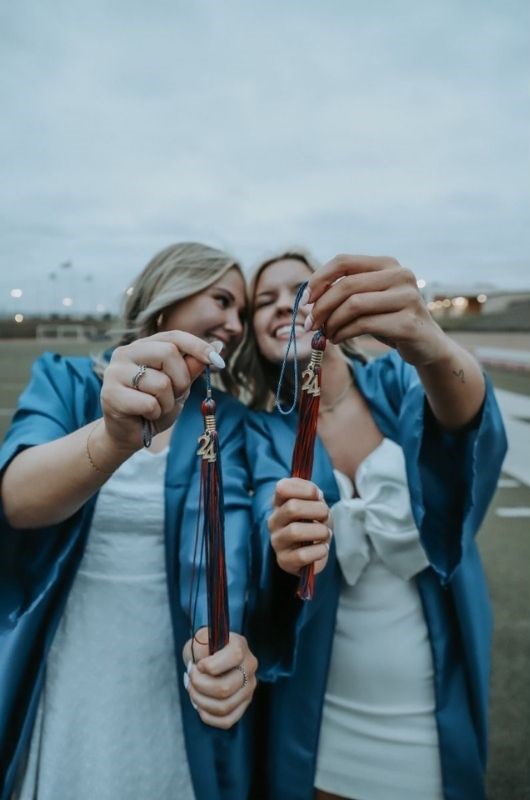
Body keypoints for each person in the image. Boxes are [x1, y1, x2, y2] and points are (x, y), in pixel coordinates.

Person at [241, 251, 507, 800]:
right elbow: (251, 544)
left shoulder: (398, 380)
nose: (281, 306)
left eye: (297, 289)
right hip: (324, 712)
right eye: (261, 301)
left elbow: (466, 432)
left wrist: (430, 344)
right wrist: (281, 544)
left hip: (431, 699)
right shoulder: (261, 433)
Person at [0, 242, 259, 800]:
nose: (235, 325)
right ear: (167, 297)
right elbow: (19, 500)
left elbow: (229, 541)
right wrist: (113, 437)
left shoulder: (225, 418)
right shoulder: (67, 380)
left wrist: (227, 639)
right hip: (74, 644)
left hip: (170, 661)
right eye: (221, 300)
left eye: (242, 311)